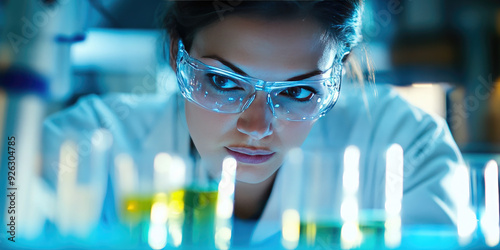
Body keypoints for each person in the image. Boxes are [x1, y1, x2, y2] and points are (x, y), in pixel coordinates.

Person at [41, 0, 465, 247]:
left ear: (338, 76)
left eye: (298, 92)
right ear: (177, 55)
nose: (257, 125)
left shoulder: (405, 150)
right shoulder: (87, 144)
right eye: (224, 82)